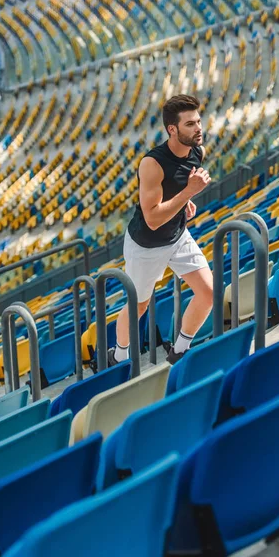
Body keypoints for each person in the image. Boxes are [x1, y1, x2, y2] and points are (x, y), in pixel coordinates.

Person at [109, 94, 213, 366]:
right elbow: (153, 218)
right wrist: (189, 192)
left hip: (178, 236)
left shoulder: (197, 152)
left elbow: (178, 187)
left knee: (209, 292)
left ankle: (179, 351)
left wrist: (186, 201)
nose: (198, 128)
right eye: (190, 124)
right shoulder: (151, 164)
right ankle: (118, 357)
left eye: (199, 121)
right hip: (146, 244)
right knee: (139, 306)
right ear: (172, 129)